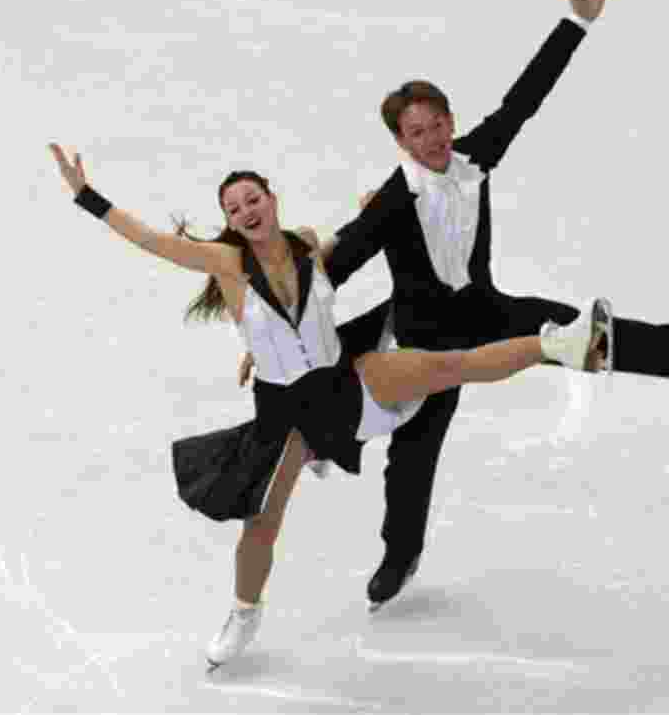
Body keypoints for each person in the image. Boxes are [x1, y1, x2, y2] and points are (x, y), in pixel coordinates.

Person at [47, 146, 612, 667]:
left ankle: (559, 343)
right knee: (263, 523)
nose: (246, 210)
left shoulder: (310, 246)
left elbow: (364, 238)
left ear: (272, 199)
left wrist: (380, 211)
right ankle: (245, 613)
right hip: (286, 413)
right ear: (228, 219)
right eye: (234, 206)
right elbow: (148, 240)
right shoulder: (225, 262)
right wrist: (84, 195)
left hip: (343, 383)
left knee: (445, 365)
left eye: (253, 198)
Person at [312, 0, 669, 611]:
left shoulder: (474, 155)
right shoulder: (389, 200)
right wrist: (279, 311)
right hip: (427, 343)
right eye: (419, 132)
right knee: (414, 453)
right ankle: (399, 555)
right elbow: (341, 261)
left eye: (439, 123)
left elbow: (525, 98)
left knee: (583, 331)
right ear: (400, 141)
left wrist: (576, 21)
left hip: (487, 311)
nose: (435, 138)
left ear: (448, 119)